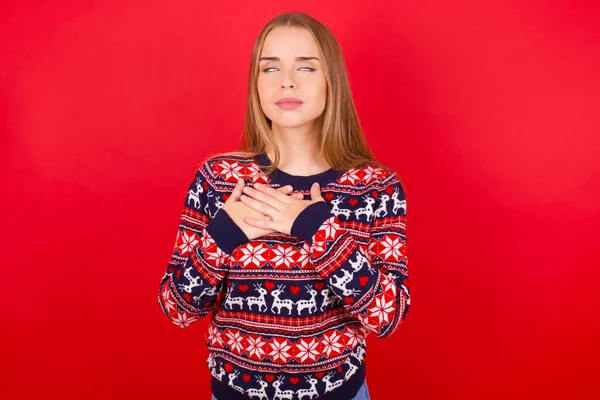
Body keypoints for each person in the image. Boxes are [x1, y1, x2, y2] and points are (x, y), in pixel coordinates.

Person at [157, 11, 409, 400]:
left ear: (332, 81)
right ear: (255, 84)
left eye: (306, 68)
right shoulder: (219, 179)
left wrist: (314, 227)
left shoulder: (374, 187)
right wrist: (224, 234)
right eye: (270, 68)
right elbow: (177, 308)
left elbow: (387, 317)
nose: (286, 81)